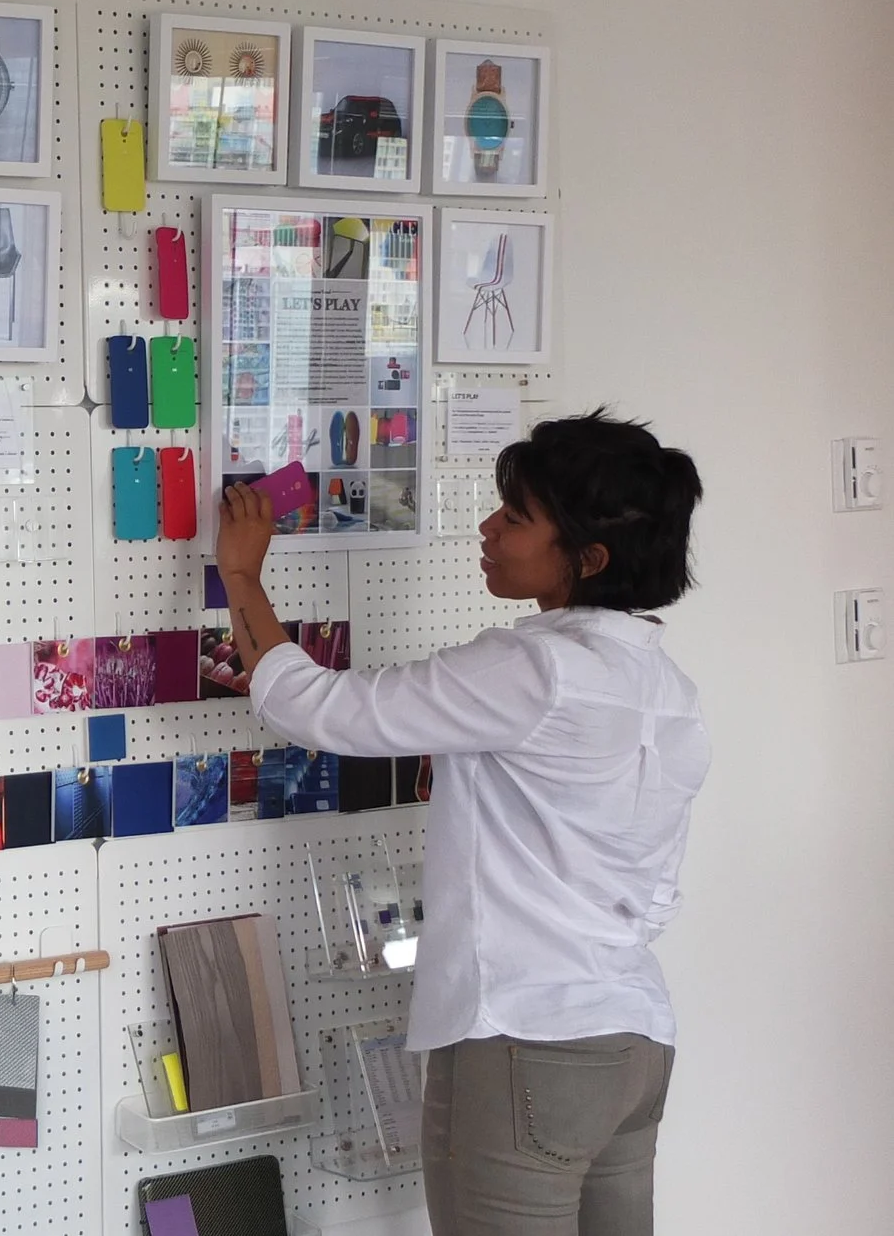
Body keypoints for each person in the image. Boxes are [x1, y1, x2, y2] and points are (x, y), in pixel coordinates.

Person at [214, 410, 707, 1236]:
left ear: (589, 557)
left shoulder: (536, 668)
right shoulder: (671, 690)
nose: (488, 528)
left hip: (525, 1044)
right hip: (634, 1042)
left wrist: (241, 574)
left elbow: (321, 707)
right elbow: (657, 896)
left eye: (516, 517)